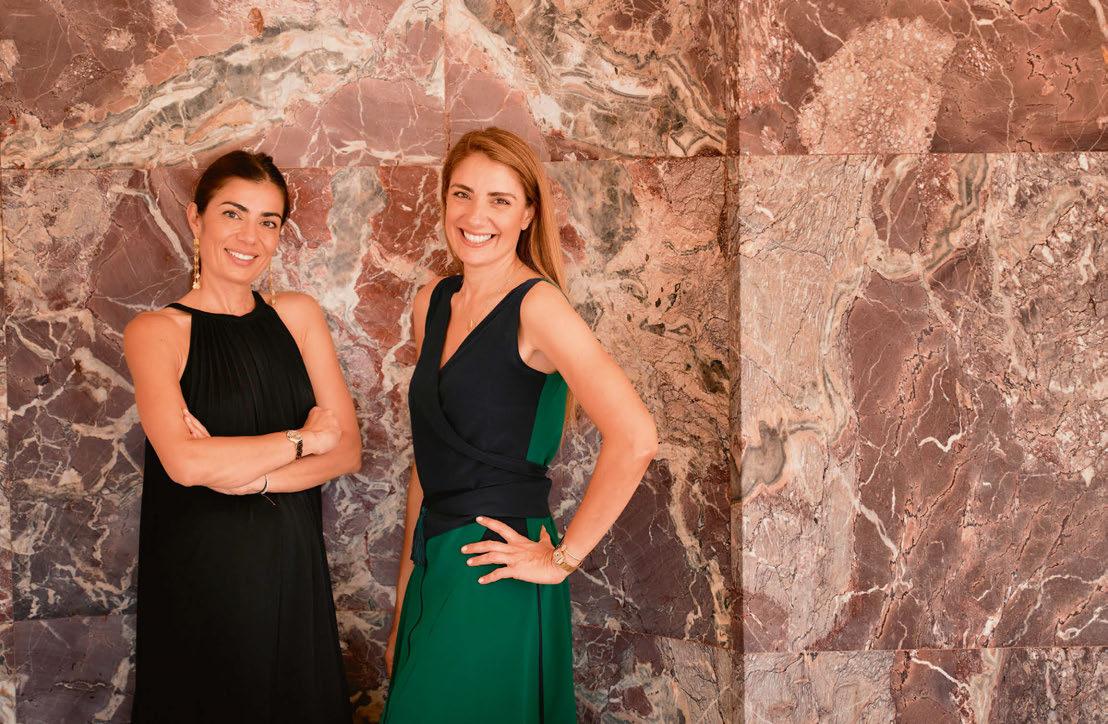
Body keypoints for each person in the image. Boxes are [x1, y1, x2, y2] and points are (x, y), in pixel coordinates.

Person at [381, 128, 658, 723]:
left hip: (495, 567)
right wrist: (405, 601)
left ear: (528, 213)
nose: (475, 216)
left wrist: (561, 560)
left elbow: (636, 436)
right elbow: (428, 466)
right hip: (434, 567)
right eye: (462, 194)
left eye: (499, 200)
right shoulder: (432, 301)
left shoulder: (539, 307)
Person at [123, 150, 360, 723]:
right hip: (202, 571)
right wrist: (303, 440)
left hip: (292, 566)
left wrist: (249, 478)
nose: (249, 237)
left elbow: (348, 449)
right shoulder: (155, 331)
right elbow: (185, 464)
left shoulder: (298, 316)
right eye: (232, 213)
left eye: (267, 221)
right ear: (195, 217)